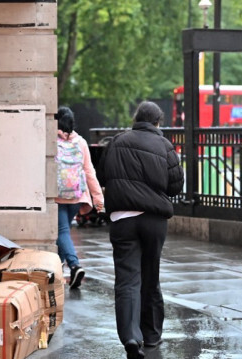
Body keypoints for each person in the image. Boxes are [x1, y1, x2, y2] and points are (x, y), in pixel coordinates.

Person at [98, 101, 184, 359]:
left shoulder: (116, 142)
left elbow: (103, 175)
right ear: (158, 122)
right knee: (151, 275)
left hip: (123, 218)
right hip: (154, 220)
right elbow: (175, 186)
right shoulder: (165, 146)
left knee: (127, 279)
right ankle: (152, 335)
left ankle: (131, 338)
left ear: (136, 119)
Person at [54, 106, 104, 289]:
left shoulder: (50, 140)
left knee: (61, 232)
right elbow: (89, 172)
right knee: (63, 232)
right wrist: (98, 199)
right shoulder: (81, 142)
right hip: (77, 195)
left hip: (57, 195)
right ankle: (57, 270)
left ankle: (74, 266)